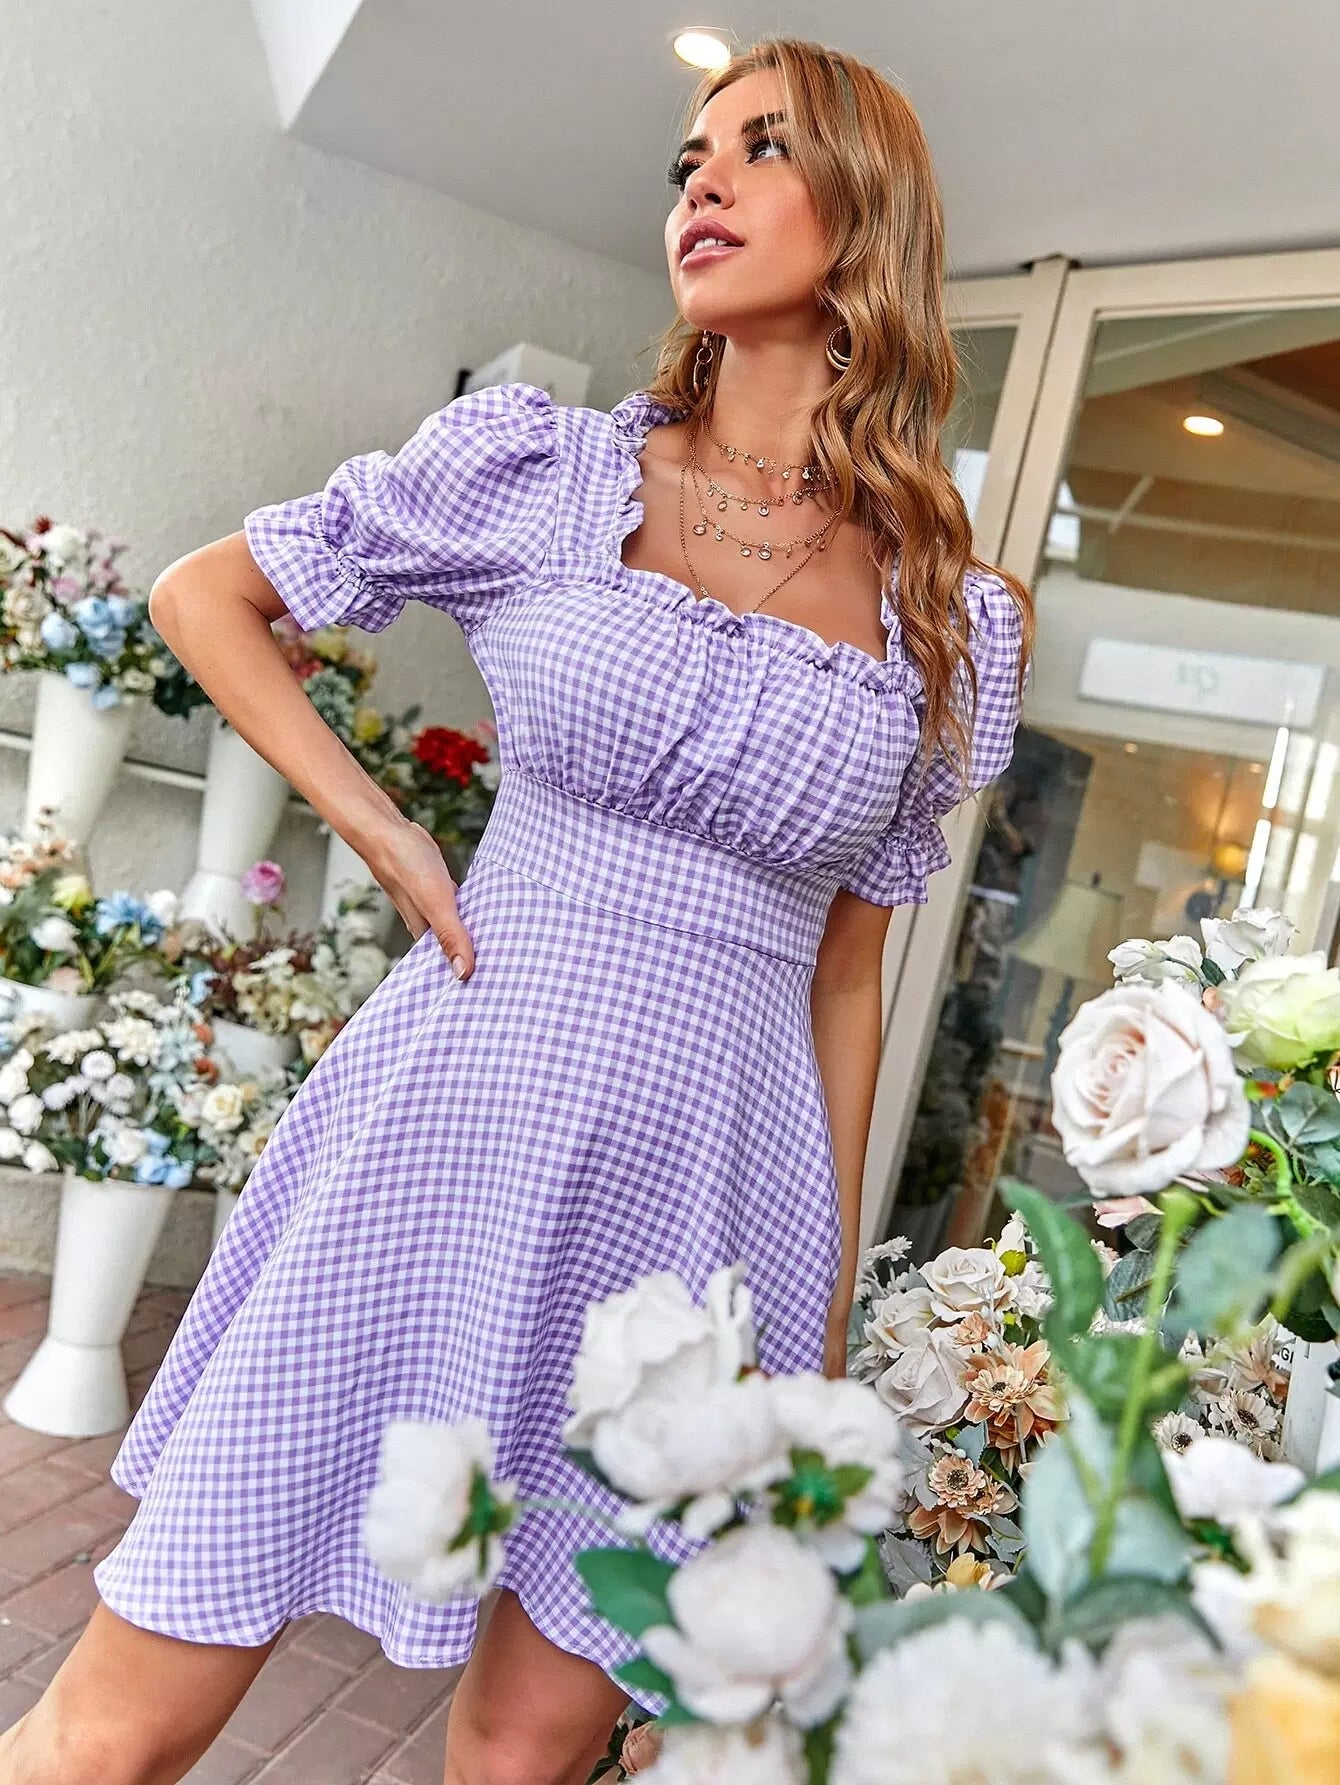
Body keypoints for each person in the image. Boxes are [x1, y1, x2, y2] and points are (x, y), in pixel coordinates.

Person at [0, 34, 1032, 1785]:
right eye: (688, 158)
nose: (701, 184)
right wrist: (387, 828)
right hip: (449, 1125)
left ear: (870, 209)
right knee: (123, 1721)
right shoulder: (540, 473)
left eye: (761, 148)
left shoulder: (951, 617)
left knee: (528, 1751)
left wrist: (813, 1323)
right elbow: (205, 596)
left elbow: (850, 982)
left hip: (713, 1207)